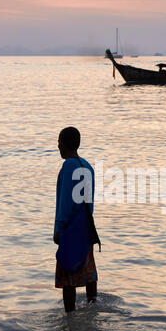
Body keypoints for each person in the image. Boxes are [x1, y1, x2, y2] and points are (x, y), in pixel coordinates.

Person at [53, 127, 98, 312]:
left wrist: (59, 228)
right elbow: (90, 200)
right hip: (86, 226)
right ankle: (93, 306)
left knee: (67, 275)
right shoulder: (88, 166)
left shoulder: (67, 166)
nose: (58, 146)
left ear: (64, 144)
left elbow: (64, 202)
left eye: (59, 142)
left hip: (70, 227)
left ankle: (70, 318)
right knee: (88, 272)